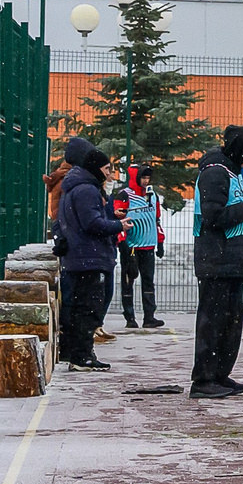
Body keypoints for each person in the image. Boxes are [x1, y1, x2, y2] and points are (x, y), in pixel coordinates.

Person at [191, 125, 243, 398]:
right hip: (216, 261)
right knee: (213, 322)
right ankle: (203, 380)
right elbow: (213, 217)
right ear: (241, 149)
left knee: (231, 324)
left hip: (231, 262)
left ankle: (220, 375)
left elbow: (237, 221)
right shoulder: (214, 174)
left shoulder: (233, 174)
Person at [54, 139, 123, 370]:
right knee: (89, 307)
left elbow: (63, 223)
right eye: (106, 169)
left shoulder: (72, 188)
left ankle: (78, 352)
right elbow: (93, 223)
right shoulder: (87, 190)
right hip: (89, 258)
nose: (108, 174)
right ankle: (81, 355)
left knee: (80, 306)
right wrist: (118, 225)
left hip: (79, 257)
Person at [116, 163, 164, 330]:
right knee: (129, 281)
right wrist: (122, 242)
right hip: (131, 247)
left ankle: (149, 316)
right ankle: (130, 317)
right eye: (143, 177)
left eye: (148, 178)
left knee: (148, 282)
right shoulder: (124, 195)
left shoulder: (152, 196)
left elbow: (156, 219)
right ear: (135, 177)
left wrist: (160, 241)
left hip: (149, 246)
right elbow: (118, 220)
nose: (145, 181)